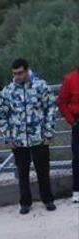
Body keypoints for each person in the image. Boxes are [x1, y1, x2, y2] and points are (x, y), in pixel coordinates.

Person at [0, 58, 58, 214]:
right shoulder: (8, 91)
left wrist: (48, 133)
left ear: (27, 70)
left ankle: (48, 199)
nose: (18, 76)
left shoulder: (41, 86)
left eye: (21, 73)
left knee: (43, 170)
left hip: (39, 138)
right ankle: (25, 202)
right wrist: (8, 137)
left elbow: (50, 109)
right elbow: (1, 114)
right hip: (19, 141)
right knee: (22, 173)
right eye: (15, 73)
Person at [56, 66, 79, 203]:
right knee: (78, 158)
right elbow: (61, 102)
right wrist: (71, 120)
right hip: (78, 124)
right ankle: (77, 190)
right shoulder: (70, 79)